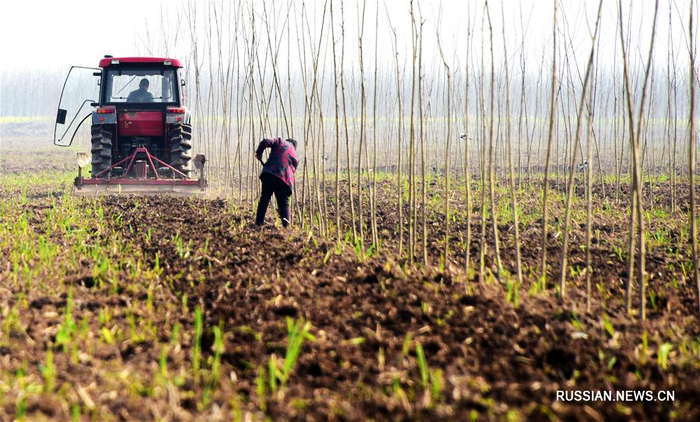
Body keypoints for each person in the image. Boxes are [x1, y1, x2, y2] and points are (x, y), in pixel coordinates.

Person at [255, 138, 299, 227]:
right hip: (284, 179)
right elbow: (292, 170)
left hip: (269, 174)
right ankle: (286, 228)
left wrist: (259, 153)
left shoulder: (280, 142)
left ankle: (258, 224)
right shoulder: (295, 156)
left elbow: (265, 142)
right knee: (284, 203)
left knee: (264, 199)